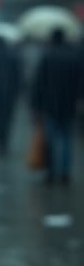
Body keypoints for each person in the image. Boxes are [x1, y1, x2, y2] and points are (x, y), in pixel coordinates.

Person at [30, 28, 82, 185]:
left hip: (50, 105)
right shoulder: (74, 57)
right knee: (66, 140)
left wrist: (36, 106)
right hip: (69, 105)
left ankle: (51, 173)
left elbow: (38, 84)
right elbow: (80, 82)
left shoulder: (47, 56)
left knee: (50, 140)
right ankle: (65, 173)